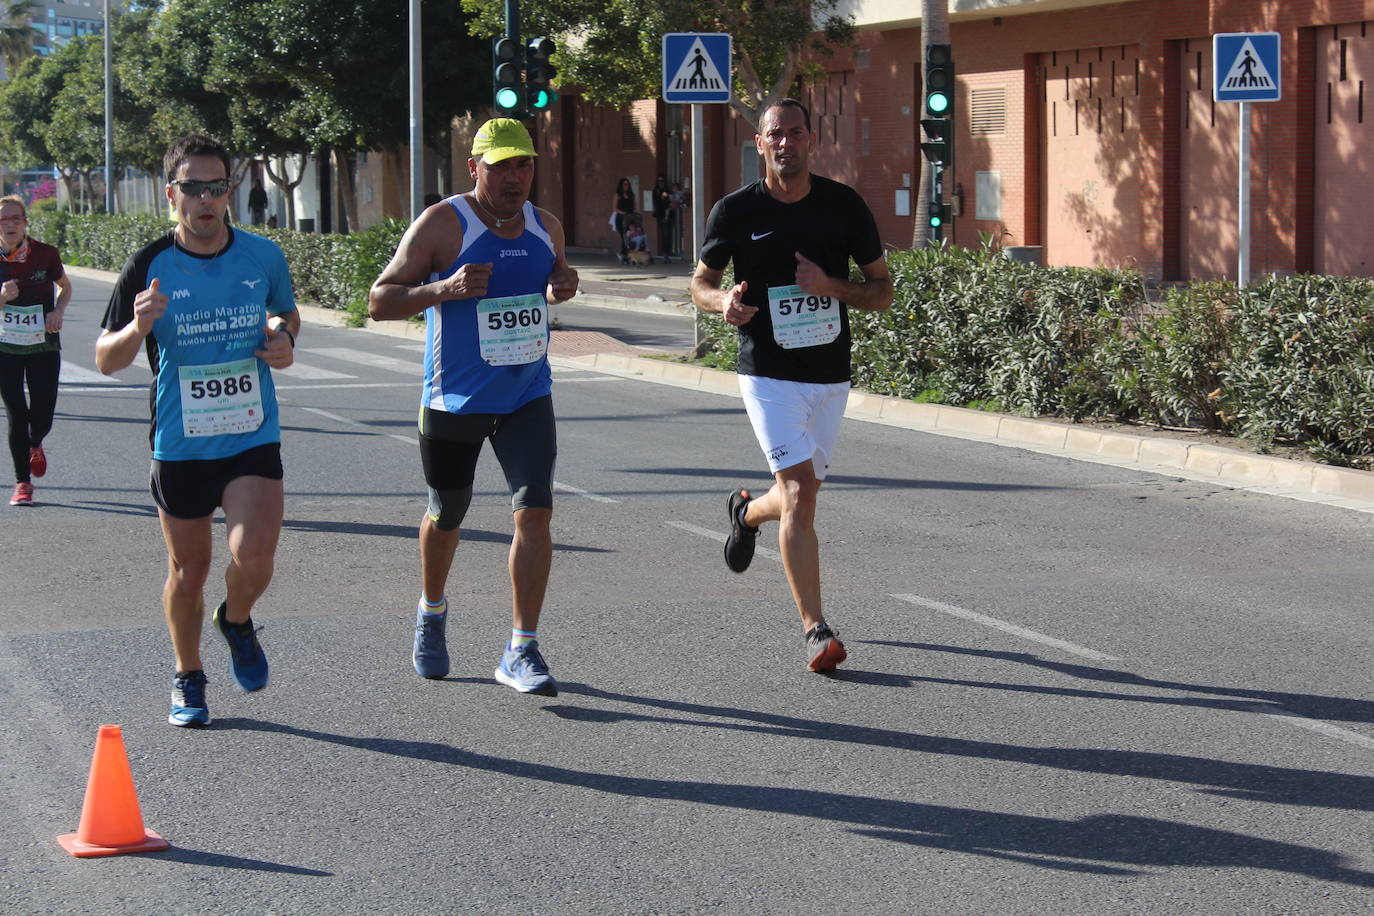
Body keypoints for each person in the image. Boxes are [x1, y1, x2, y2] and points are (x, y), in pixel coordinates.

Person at [368, 118, 578, 697]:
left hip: (526, 394)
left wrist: (565, 281)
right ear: (474, 168)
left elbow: (556, 281)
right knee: (448, 512)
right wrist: (444, 289)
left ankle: (522, 647)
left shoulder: (546, 226)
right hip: (454, 399)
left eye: (524, 165)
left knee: (534, 513)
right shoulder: (443, 223)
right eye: (501, 166)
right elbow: (379, 300)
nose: (515, 178)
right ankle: (432, 610)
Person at [95, 134, 300, 727]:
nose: (206, 199)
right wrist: (137, 329)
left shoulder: (262, 256)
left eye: (217, 186)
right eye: (193, 187)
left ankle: (236, 620)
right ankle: (188, 676)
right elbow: (106, 357)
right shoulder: (149, 265)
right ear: (172, 194)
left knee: (255, 558)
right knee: (189, 571)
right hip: (180, 442)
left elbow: (285, 312)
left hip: (250, 434)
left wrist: (284, 338)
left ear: (230, 190)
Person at [689, 99, 893, 673]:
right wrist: (722, 302)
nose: (786, 143)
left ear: (812, 140)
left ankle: (748, 513)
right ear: (760, 144)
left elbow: (882, 290)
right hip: (767, 372)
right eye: (775, 134)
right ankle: (816, 630)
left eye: (796, 133)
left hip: (829, 374)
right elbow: (701, 283)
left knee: (797, 497)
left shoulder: (844, 206)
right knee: (801, 493)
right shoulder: (733, 212)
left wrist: (831, 285)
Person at [0, 195, 73, 507]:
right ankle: (22, 483)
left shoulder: (45, 254)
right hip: (5, 347)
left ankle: (36, 441)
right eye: (4, 219)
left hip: (43, 344)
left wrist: (58, 311)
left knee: (42, 414)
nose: (10, 224)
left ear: (25, 222)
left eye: (16, 218)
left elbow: (65, 287)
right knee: (16, 413)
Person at [610, 176, 635, 263]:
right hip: (620, 218)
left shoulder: (631, 195)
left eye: (628, 184)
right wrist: (623, 213)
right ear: (621, 185)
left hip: (630, 218)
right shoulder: (617, 195)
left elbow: (634, 206)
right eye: (625, 184)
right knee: (624, 236)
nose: (626, 186)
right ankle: (624, 254)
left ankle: (624, 254)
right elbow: (614, 208)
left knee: (629, 236)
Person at [651, 174, 671, 262]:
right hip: (661, 215)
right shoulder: (655, 191)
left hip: (669, 214)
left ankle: (667, 254)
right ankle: (665, 255)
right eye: (659, 181)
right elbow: (656, 203)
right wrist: (662, 197)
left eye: (662, 181)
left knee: (668, 235)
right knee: (664, 234)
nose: (661, 182)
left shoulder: (667, 190)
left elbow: (670, 200)